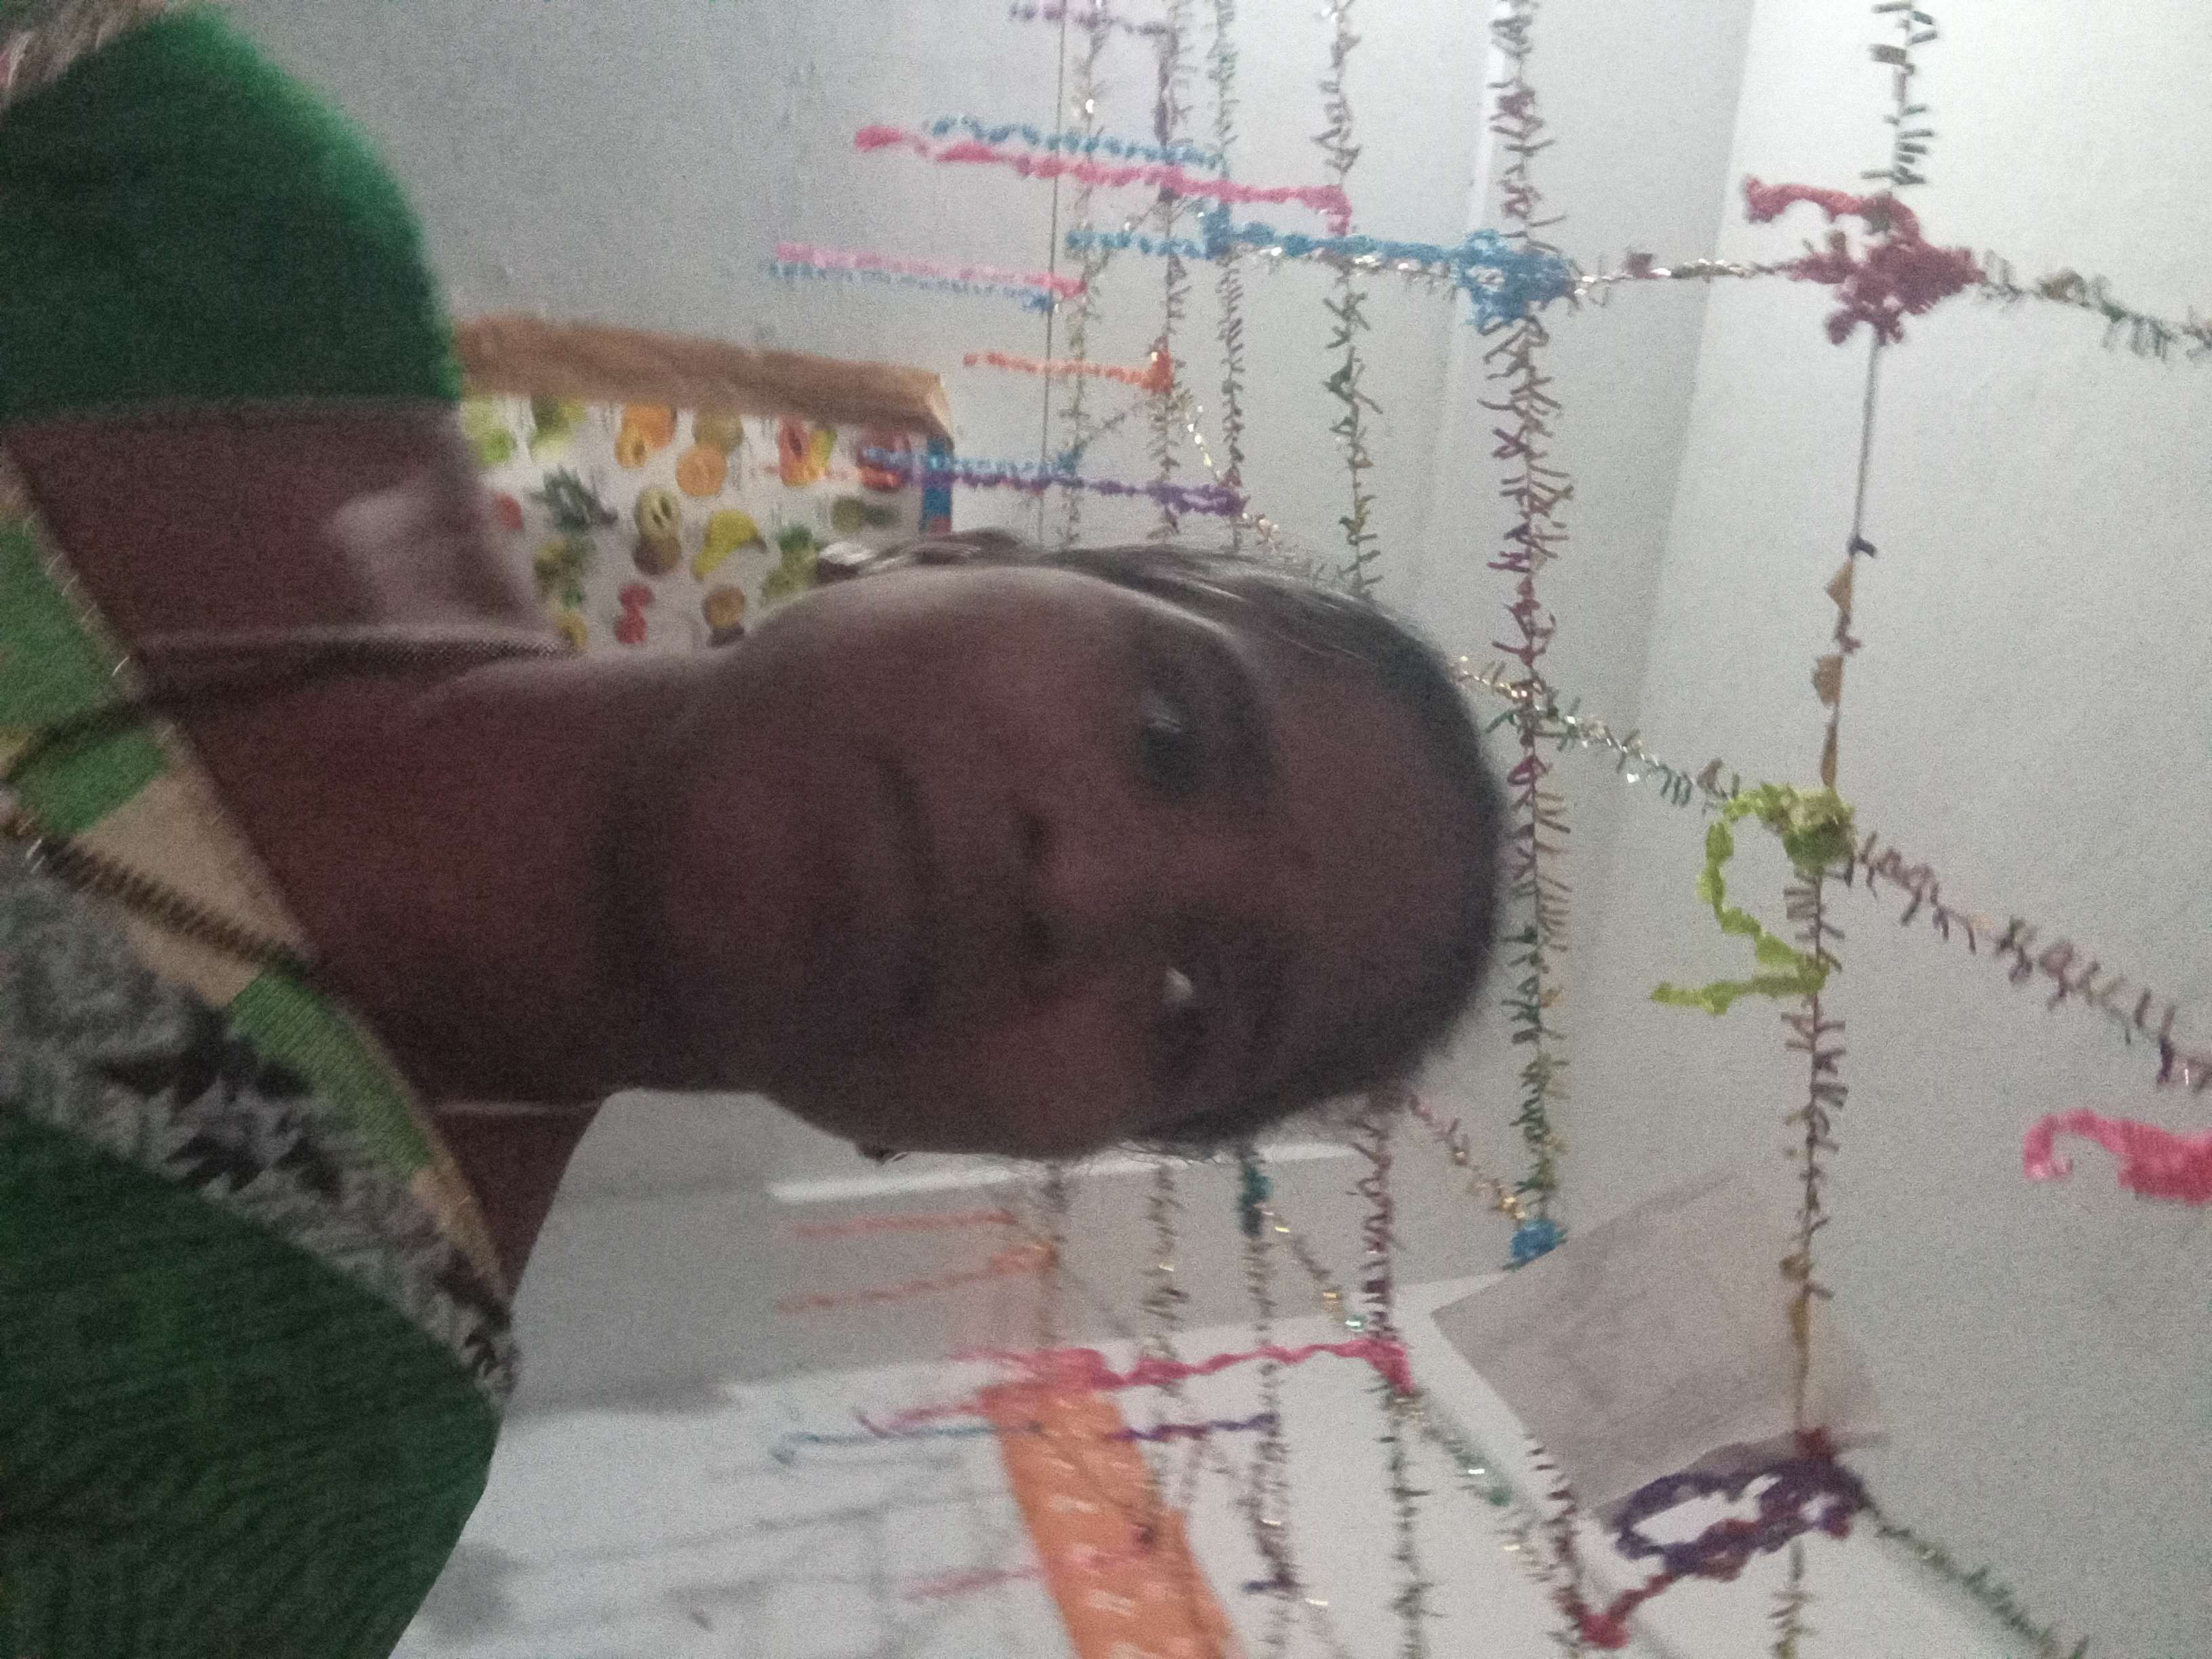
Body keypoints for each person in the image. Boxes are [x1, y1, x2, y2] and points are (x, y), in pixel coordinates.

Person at [0, 5, 1499, 1656]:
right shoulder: (228, 224)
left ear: (1005, 1154)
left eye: (1189, 1009)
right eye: (1167, 732)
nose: (1082, 892)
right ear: (954, 554)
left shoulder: (289, 1476)